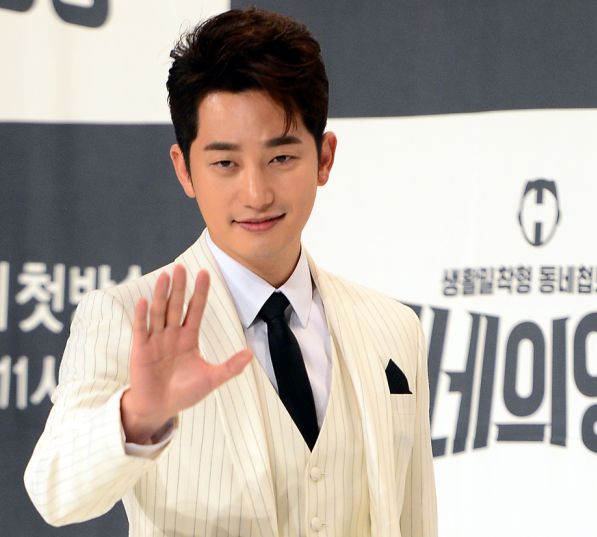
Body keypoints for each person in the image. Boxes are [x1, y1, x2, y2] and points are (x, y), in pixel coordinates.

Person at [24, 8, 437, 537]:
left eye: (281, 158)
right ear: (184, 169)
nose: (256, 194)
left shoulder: (392, 328)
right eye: (225, 163)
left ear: (324, 158)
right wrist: (138, 416)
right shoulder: (126, 317)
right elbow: (54, 491)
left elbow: (415, 519)